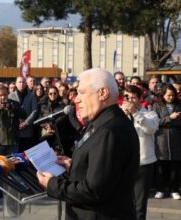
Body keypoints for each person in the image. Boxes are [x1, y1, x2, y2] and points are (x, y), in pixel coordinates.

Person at [37, 68, 139, 220]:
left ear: (103, 93)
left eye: (82, 92)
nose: (76, 99)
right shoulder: (101, 123)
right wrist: (74, 166)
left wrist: (52, 184)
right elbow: (103, 173)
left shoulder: (109, 131)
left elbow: (94, 191)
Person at [122, 85, 159, 220]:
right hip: (123, 165)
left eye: (133, 98)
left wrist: (135, 114)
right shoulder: (119, 114)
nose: (129, 100)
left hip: (143, 164)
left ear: (140, 98)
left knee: (139, 205)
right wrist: (122, 115)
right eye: (127, 97)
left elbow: (150, 129)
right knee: (122, 202)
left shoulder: (150, 114)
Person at [0, 84, 26, 200]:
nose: (3, 98)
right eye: (0, 95)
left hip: (13, 141)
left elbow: (24, 114)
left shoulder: (14, 103)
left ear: (8, 94)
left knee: (12, 166)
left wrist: (14, 109)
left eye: (5, 95)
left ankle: (12, 190)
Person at [152, 84, 181, 200]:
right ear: (163, 95)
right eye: (168, 95)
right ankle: (160, 189)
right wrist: (170, 118)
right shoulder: (156, 106)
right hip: (161, 138)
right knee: (161, 166)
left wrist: (170, 122)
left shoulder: (179, 105)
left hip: (176, 138)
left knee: (175, 165)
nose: (171, 97)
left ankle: (174, 189)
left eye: (173, 95)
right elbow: (155, 122)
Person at [8, 76, 38, 152]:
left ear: (26, 84)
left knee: (27, 153)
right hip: (15, 129)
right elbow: (8, 111)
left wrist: (26, 123)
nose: (21, 84)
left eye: (23, 82)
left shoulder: (31, 95)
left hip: (27, 130)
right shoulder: (11, 96)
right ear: (16, 84)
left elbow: (34, 111)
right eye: (19, 82)